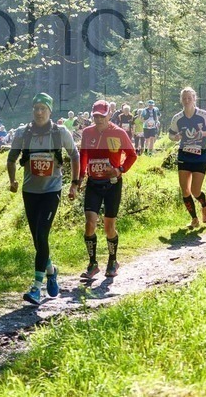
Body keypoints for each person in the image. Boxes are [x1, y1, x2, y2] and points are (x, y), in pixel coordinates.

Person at [6, 93, 80, 305]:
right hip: (30, 191)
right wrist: (12, 180)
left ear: (50, 111)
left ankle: (36, 289)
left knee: (41, 233)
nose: (39, 112)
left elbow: (75, 155)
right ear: (33, 110)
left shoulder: (60, 132)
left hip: (51, 191)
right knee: (38, 240)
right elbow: (11, 159)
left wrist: (74, 183)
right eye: (36, 108)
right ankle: (51, 270)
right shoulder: (22, 133)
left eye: (43, 109)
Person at [75, 100, 138, 279]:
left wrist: (120, 169)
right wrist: (79, 179)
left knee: (109, 227)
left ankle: (112, 260)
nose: (98, 119)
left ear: (109, 114)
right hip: (93, 183)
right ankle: (93, 263)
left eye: (102, 116)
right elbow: (83, 155)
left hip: (112, 184)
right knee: (89, 224)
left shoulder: (118, 133)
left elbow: (132, 155)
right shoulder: (87, 133)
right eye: (95, 116)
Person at [168, 87, 206, 228]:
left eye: (189, 98)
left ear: (194, 99)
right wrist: (175, 137)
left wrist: (202, 134)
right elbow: (171, 135)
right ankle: (194, 219)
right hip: (184, 154)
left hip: (200, 154)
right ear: (181, 100)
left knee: (195, 190)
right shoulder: (177, 118)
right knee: (185, 190)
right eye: (184, 98)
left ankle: (205, 205)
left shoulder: (203, 115)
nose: (187, 100)